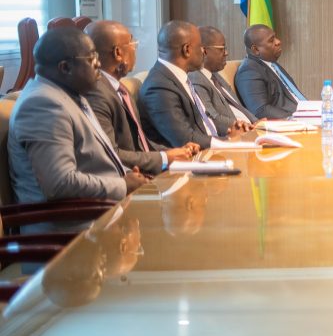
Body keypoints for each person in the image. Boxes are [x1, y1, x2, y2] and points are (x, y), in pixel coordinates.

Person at [8, 27, 149, 204]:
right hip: (72, 225)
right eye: (92, 58)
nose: (99, 64)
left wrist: (127, 174)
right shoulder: (42, 105)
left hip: (101, 210)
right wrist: (122, 185)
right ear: (65, 67)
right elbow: (60, 183)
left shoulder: (70, 94)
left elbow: (95, 161)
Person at [84, 20, 199, 175]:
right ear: (118, 53)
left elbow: (140, 143)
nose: (135, 49)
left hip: (146, 170)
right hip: (129, 181)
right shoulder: (97, 94)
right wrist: (164, 157)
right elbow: (110, 154)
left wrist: (175, 152)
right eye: (132, 43)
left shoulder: (120, 89)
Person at [139, 21, 252, 149]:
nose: (203, 52)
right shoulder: (159, 87)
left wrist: (231, 133)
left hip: (211, 148)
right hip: (190, 161)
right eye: (200, 47)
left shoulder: (181, 78)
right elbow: (184, 139)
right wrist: (227, 141)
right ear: (187, 50)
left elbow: (204, 123)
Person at [189, 26, 257, 131]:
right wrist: (241, 125)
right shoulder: (195, 78)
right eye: (222, 49)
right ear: (204, 51)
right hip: (234, 134)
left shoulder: (215, 75)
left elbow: (239, 107)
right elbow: (211, 117)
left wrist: (256, 122)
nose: (226, 53)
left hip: (250, 128)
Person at [235, 24, 306, 119]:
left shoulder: (272, 64)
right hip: (290, 121)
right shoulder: (248, 70)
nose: (278, 42)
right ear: (255, 49)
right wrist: (295, 119)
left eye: (275, 37)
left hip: (305, 115)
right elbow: (261, 110)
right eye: (271, 40)